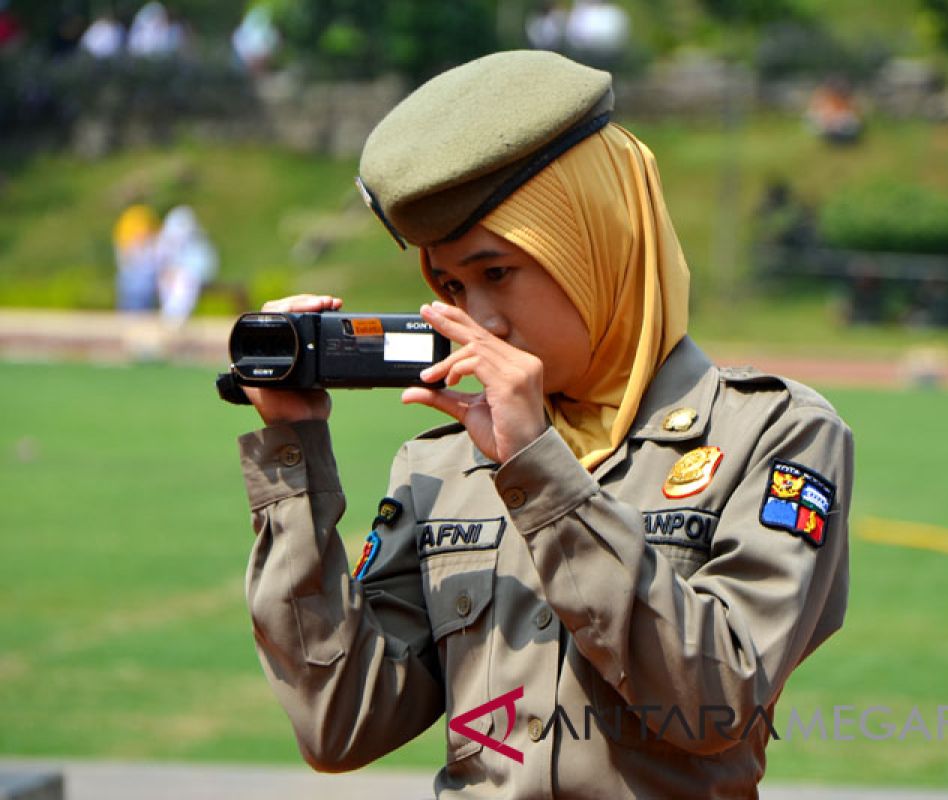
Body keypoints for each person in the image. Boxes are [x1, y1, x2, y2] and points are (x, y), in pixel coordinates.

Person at [234, 50, 852, 798]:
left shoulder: (774, 434)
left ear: (598, 241)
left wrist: (538, 471)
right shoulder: (440, 465)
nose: (479, 319)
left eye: (498, 272)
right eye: (452, 285)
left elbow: (714, 701)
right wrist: (292, 460)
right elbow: (341, 724)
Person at [155, 205, 218, 329]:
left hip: (190, 276)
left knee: (183, 283)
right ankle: (171, 315)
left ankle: (176, 316)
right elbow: (163, 261)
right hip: (175, 276)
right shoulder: (168, 241)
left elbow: (200, 266)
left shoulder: (197, 243)